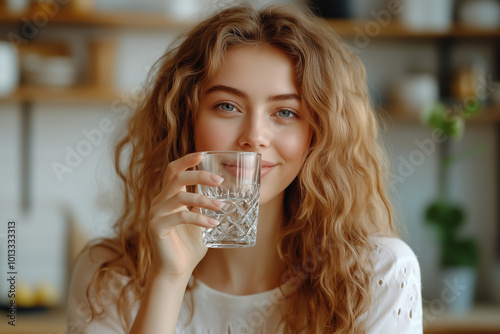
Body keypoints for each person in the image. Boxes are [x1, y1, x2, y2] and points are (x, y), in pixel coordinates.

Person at [66, 3, 422, 333]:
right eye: (227, 106)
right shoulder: (107, 274)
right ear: (184, 120)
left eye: (285, 113)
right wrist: (168, 279)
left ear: (317, 135)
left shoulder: (378, 274)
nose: (254, 137)